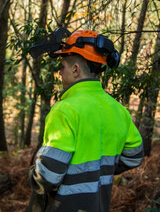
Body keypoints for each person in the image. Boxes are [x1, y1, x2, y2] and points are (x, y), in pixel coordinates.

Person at [27, 29, 144, 212]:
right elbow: (134, 156)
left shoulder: (65, 110)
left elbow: (48, 177)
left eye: (63, 66)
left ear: (75, 69)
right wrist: (101, 170)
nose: (60, 72)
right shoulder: (119, 110)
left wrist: (33, 175)